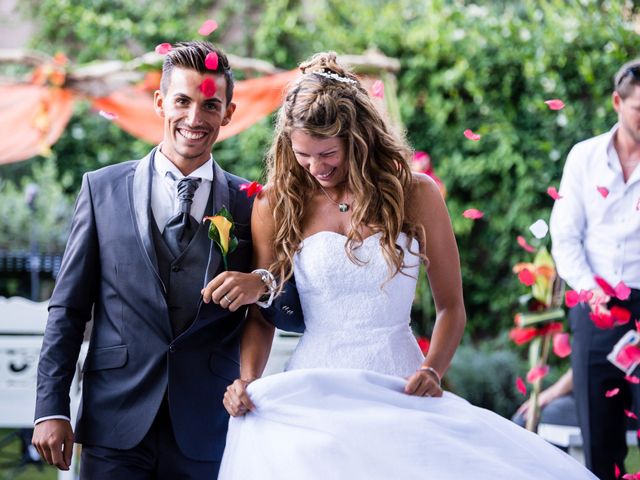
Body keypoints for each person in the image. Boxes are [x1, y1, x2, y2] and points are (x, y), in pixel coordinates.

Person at [211, 52, 596, 479]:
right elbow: (262, 316)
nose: (316, 168)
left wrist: (433, 370)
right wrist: (247, 380)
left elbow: (451, 307)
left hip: (398, 379)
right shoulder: (278, 203)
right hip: (314, 388)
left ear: (358, 139)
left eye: (327, 154)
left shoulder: (416, 195)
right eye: (303, 156)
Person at [31, 41, 269, 479]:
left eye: (210, 105)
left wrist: (262, 284)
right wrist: (51, 408)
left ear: (229, 113)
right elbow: (68, 309)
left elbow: (290, 302)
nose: (195, 118)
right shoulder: (101, 190)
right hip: (114, 421)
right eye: (182, 101)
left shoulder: (251, 203)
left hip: (207, 422)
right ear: (161, 103)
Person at [550, 59, 640, 480]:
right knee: (599, 442)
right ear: (617, 102)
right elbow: (565, 235)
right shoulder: (583, 157)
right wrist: (589, 288)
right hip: (594, 306)